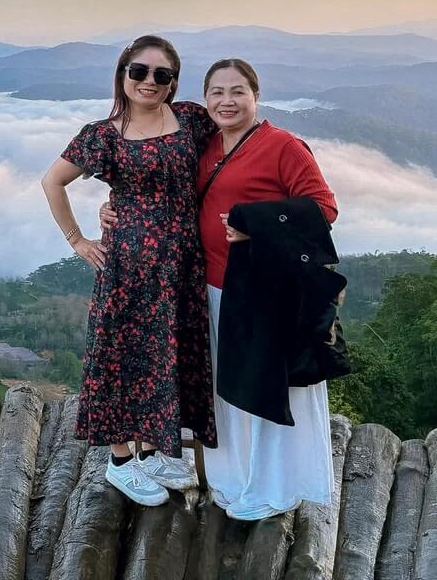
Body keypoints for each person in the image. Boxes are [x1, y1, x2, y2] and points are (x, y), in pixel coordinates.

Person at [100, 57, 338, 519]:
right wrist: (113, 207)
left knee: (268, 392)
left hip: (265, 292)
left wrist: (254, 225)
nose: (227, 101)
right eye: (217, 92)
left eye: (238, 92)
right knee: (226, 392)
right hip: (208, 288)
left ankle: (272, 488)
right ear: (204, 98)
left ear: (256, 96)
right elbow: (159, 186)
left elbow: (323, 209)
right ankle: (230, 480)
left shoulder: (282, 146)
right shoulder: (206, 144)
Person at [41, 35, 217, 506]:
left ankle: (152, 452)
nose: (149, 81)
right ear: (123, 74)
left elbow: (230, 152)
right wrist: (78, 240)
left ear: (173, 81)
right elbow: (52, 181)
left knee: (162, 356)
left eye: (161, 74)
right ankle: (120, 462)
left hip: (181, 268)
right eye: (139, 71)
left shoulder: (191, 120)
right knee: (121, 356)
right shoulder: (103, 135)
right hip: (127, 269)